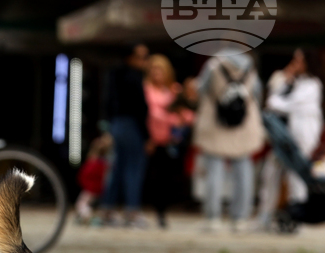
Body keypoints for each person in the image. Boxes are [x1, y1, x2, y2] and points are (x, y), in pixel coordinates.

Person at [192, 51, 265, 232]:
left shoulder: (213, 65)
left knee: (214, 173)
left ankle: (213, 218)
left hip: (214, 124)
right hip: (244, 126)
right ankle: (240, 219)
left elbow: (201, 90)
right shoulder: (251, 68)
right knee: (244, 173)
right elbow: (258, 94)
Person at [255, 49, 323, 230]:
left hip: (302, 137)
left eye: (299, 60)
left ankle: (297, 219)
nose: (295, 64)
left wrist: (278, 101)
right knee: (270, 173)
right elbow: (272, 101)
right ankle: (264, 217)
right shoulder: (293, 82)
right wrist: (286, 80)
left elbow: (285, 105)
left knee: (297, 177)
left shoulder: (312, 84)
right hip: (284, 138)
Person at [143, 54, 195, 228]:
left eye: (160, 69)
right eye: (153, 69)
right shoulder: (146, 89)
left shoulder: (174, 90)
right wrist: (173, 118)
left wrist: (178, 117)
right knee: (154, 178)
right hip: (154, 140)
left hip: (173, 141)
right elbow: (153, 115)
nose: (157, 73)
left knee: (169, 178)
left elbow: (188, 115)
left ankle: (164, 212)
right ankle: (157, 212)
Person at [101, 44, 149, 227]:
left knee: (117, 167)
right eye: (141, 57)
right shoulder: (133, 76)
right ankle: (132, 211)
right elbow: (140, 107)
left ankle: (107, 209)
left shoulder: (113, 74)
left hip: (116, 125)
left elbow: (108, 102)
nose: (144, 61)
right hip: (131, 125)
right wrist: (146, 133)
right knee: (134, 168)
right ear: (130, 57)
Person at [75, 132, 111, 223]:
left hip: (90, 189)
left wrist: (86, 185)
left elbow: (82, 175)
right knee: (96, 205)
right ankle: (91, 217)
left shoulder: (92, 163)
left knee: (81, 204)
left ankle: (89, 218)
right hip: (101, 189)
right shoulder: (106, 164)